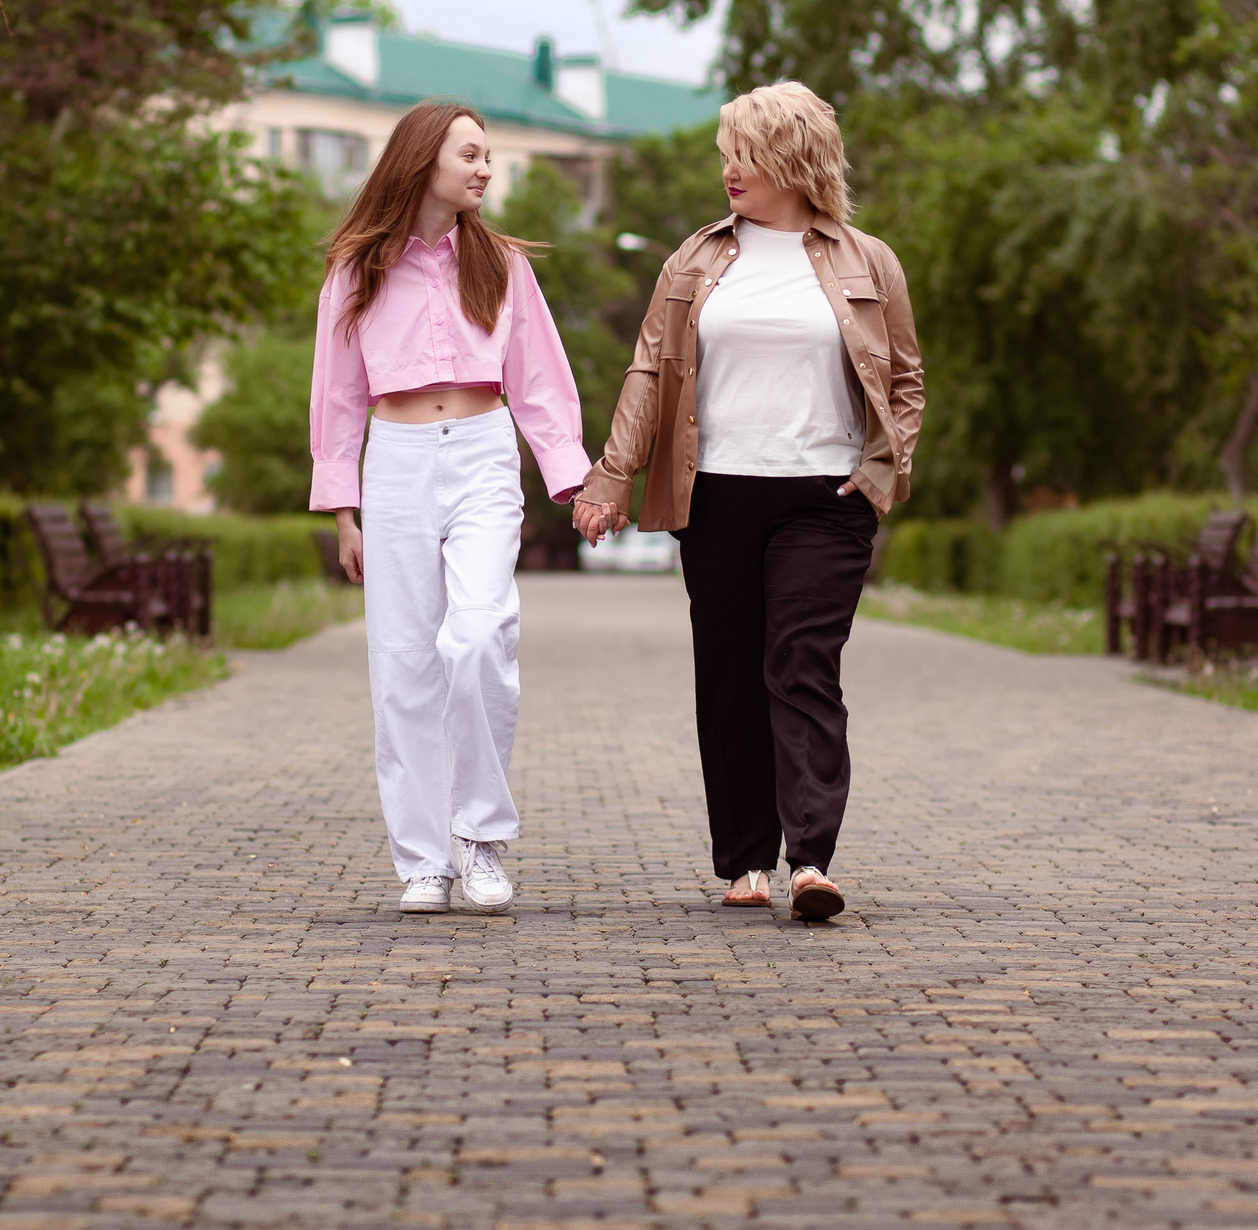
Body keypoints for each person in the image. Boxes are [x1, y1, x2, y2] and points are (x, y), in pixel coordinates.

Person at [572, 82, 924, 921]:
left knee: (802, 665)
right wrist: (612, 473)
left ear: (796, 161)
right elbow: (649, 370)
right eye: (727, 153)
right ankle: (745, 859)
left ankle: (810, 859)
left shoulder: (868, 261)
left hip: (825, 496)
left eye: (748, 155)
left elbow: (905, 380)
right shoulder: (694, 260)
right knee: (729, 675)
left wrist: (884, 469)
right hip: (717, 493)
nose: (729, 170)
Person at [310, 99, 590, 916]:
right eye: (470, 154)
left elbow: (540, 381)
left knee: (478, 635)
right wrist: (344, 510)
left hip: (482, 454)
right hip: (394, 462)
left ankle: (480, 835)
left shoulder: (502, 263)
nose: (485, 168)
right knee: (403, 662)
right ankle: (424, 860)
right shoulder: (357, 268)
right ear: (423, 157)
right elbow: (337, 395)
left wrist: (571, 478)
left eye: (487, 154)